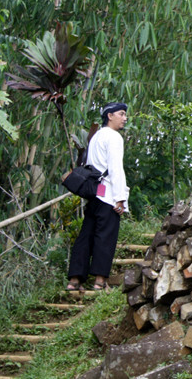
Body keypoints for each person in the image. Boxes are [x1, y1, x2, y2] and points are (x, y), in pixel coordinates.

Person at [66, 102, 130, 291]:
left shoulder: (96, 136)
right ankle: (99, 281)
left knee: (86, 235)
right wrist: (120, 198)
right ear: (110, 116)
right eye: (122, 114)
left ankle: (75, 280)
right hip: (108, 194)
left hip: (93, 192)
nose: (125, 118)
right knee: (106, 236)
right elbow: (116, 169)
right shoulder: (114, 137)